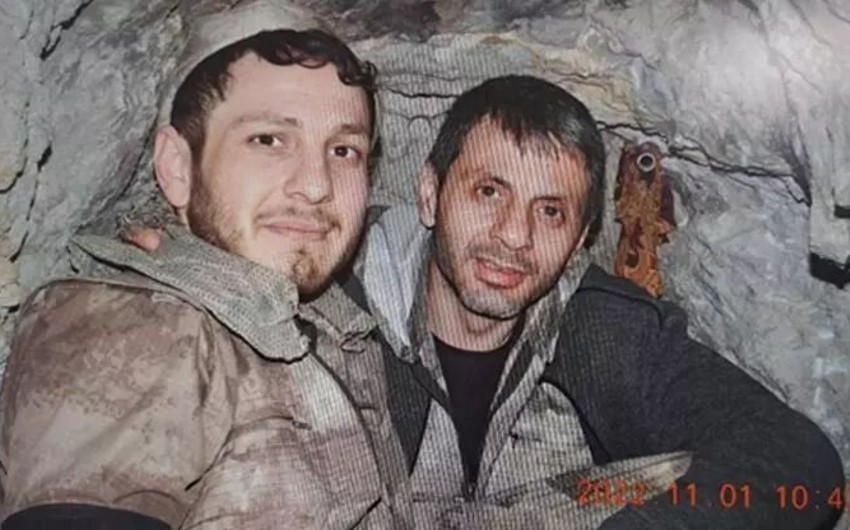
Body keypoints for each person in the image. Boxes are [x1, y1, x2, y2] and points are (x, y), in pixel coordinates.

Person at [350, 75, 846, 528]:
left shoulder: (600, 329)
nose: (515, 235)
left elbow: (798, 462)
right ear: (430, 194)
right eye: (489, 191)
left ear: (578, 242)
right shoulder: (342, 306)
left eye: (550, 211)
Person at [0, 2, 410, 529]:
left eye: (344, 150)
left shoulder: (321, 322)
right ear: (177, 167)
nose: (315, 185)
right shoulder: (141, 329)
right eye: (268, 139)